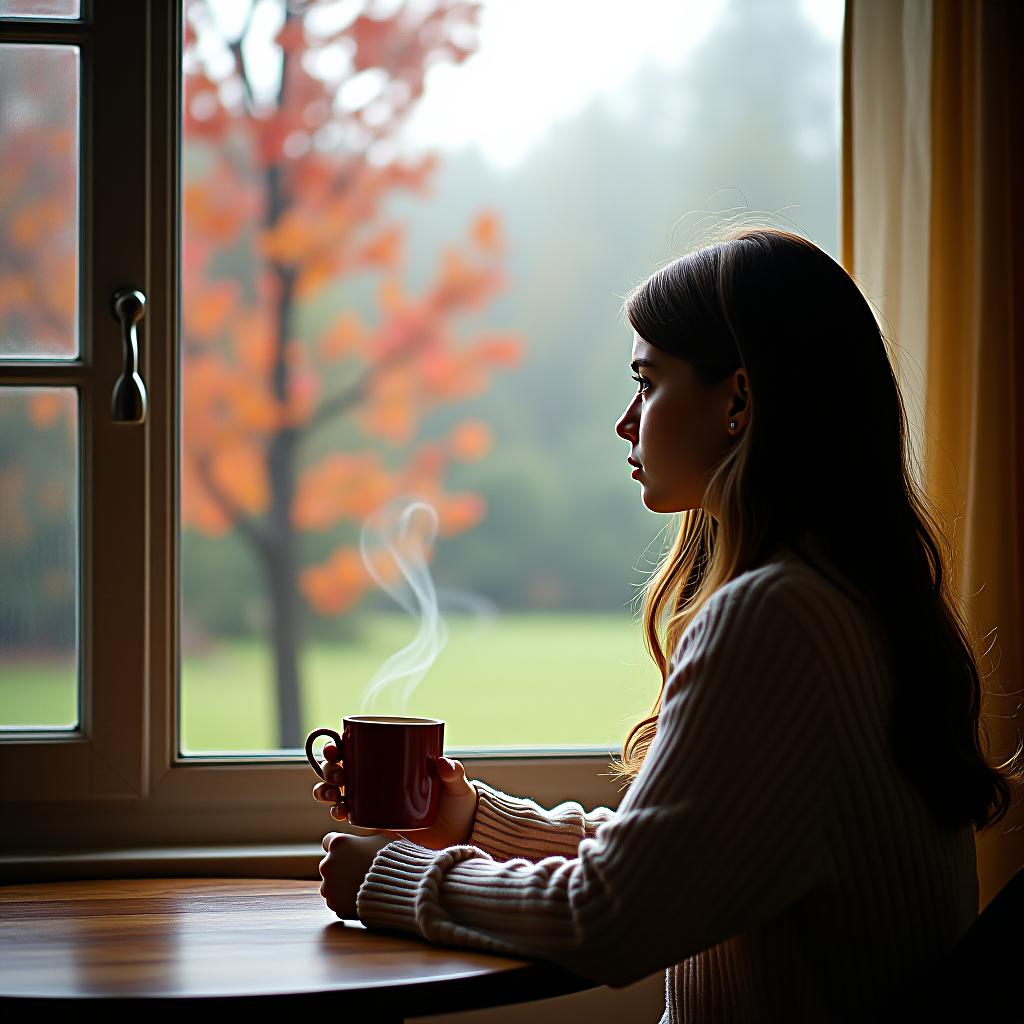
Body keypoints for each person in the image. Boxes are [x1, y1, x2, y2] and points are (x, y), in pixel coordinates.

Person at [313, 226, 1019, 1022]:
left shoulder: (775, 617)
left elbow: (612, 914)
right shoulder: (847, 599)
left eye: (647, 382)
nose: (626, 420)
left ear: (738, 401)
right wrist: (470, 819)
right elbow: (682, 861)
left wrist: (391, 878)